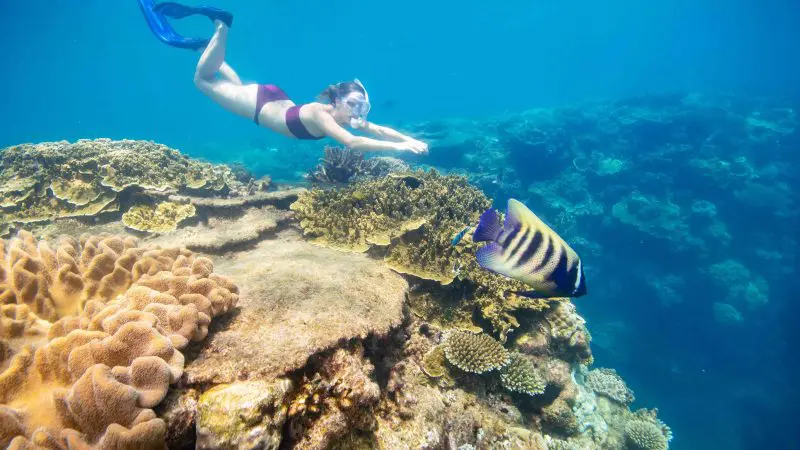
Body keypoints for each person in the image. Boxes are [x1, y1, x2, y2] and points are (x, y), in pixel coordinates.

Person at [138, 1, 428, 154]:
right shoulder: (322, 115)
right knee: (202, 80)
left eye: (361, 107)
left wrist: (408, 138)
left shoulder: (341, 116)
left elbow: (377, 131)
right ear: (338, 99)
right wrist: (400, 148)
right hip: (261, 106)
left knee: (228, 84)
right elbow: (353, 143)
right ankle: (221, 27)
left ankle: (204, 46)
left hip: (271, 99)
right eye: (353, 104)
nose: (357, 112)